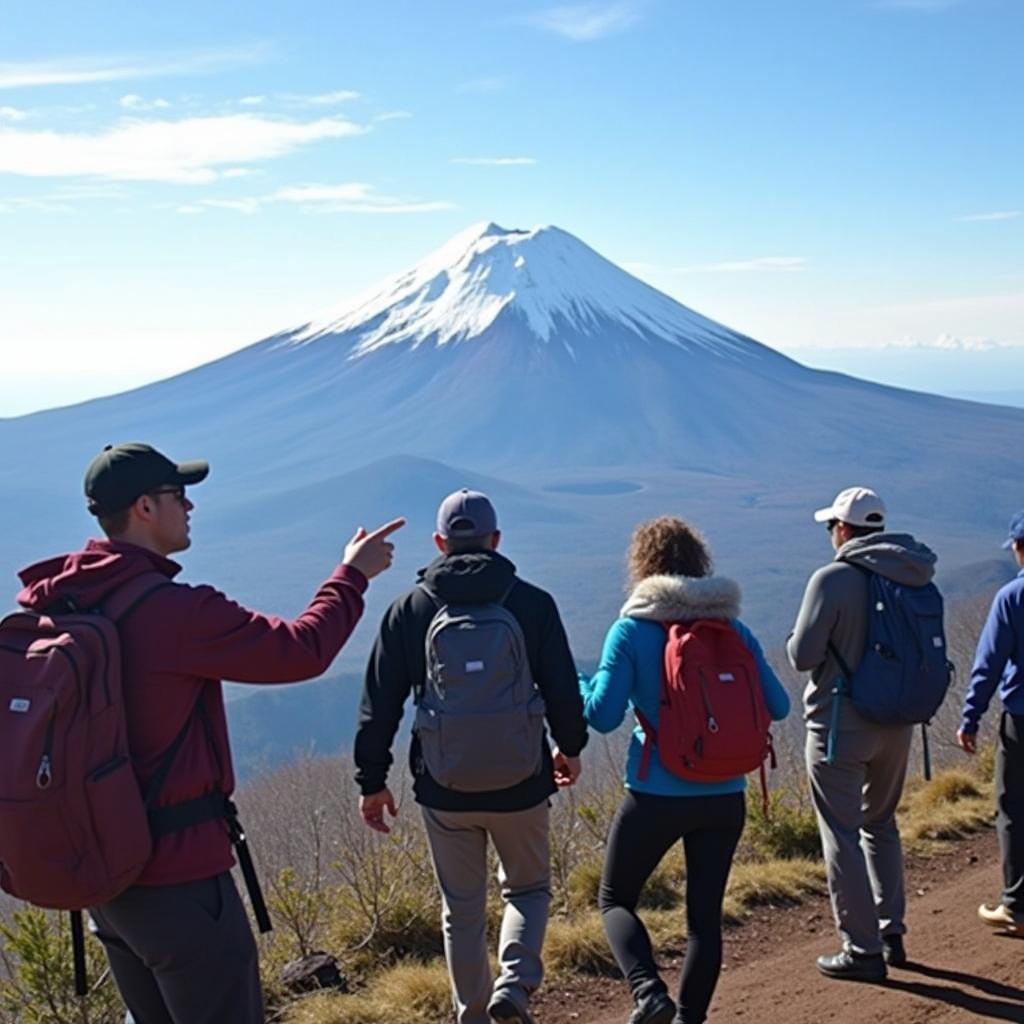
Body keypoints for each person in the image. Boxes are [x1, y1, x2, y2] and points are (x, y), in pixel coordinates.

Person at [14, 442, 403, 1024]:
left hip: (103, 880)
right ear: (145, 507)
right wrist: (351, 576)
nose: (190, 505)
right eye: (178, 494)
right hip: (181, 884)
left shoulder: (65, 602)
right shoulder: (174, 611)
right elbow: (302, 651)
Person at [353, 488, 588, 1024]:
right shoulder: (531, 603)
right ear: (496, 540)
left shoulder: (410, 609)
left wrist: (372, 781)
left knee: (460, 909)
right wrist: (568, 749)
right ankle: (515, 986)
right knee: (527, 889)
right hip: (522, 779)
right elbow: (561, 689)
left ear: (439, 543)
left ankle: (473, 1015)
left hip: (444, 784)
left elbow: (379, 702)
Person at [580, 516, 790, 1024]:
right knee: (704, 922)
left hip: (656, 793)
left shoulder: (631, 629)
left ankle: (649, 993)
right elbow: (779, 706)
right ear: (700, 565)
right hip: (724, 796)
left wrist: (580, 683)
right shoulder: (732, 628)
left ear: (643, 567)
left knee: (615, 900)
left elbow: (603, 717)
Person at [787, 486, 937, 981]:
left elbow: (802, 656)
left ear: (844, 530)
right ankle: (892, 931)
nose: (831, 534)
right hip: (898, 723)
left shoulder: (833, 579)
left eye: (832, 526)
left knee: (841, 834)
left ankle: (862, 949)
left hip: (839, 725)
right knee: (882, 823)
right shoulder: (914, 573)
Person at [957, 509, 1024, 934]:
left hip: (1022, 720)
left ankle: (1016, 906)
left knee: (1014, 808)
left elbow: (989, 664)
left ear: (1020, 548)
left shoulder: (1012, 598)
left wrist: (971, 717)